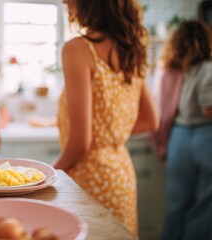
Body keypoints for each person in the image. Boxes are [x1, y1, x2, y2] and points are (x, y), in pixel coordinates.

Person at [53, 0, 159, 236]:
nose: (64, 1)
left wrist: (50, 175)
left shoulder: (78, 49)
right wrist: (110, 133)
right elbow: (152, 120)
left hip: (88, 178)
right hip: (120, 175)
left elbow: (81, 144)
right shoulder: (132, 48)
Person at [152, 20, 212, 240]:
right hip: (205, 136)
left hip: (177, 138)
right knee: (206, 202)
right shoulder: (207, 67)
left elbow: (161, 108)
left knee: (176, 203)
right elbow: (208, 109)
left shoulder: (168, 71)